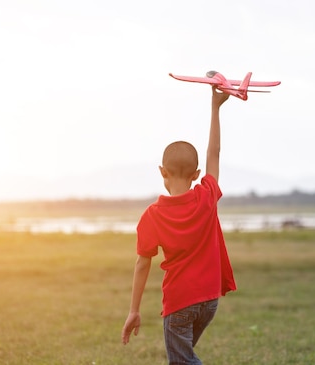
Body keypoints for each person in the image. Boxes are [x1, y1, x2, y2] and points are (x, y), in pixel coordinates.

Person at [121, 87, 237, 365]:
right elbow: (215, 153)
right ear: (197, 175)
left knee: (182, 362)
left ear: (162, 171)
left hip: (180, 303)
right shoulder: (206, 196)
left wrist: (134, 310)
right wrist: (215, 108)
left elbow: (142, 263)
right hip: (209, 302)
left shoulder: (153, 215)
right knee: (183, 357)